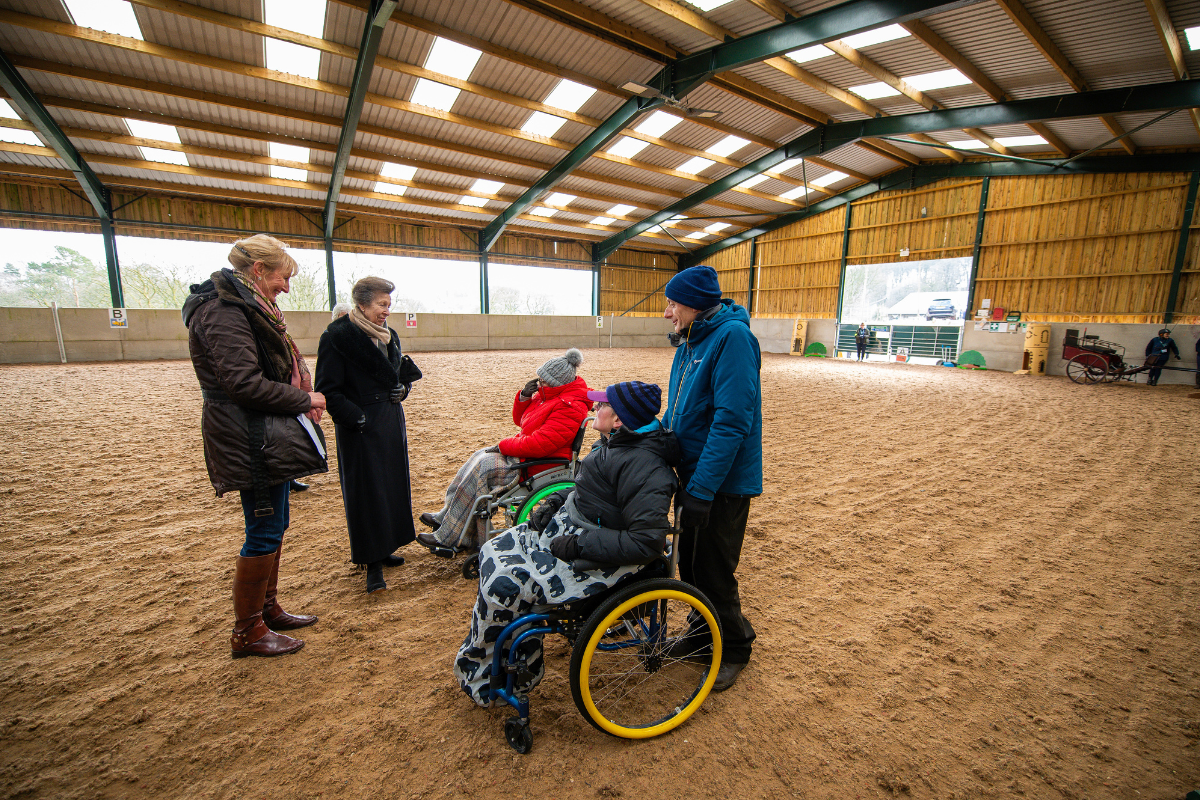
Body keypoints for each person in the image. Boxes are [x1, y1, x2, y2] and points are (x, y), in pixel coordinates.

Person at [453, 381, 679, 706]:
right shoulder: (615, 444)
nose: (594, 409)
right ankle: (493, 664)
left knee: (503, 587)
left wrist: (579, 545)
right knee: (493, 549)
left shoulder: (646, 467)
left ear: (619, 420)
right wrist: (556, 501)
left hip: (595, 560)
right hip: (572, 531)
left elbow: (646, 542)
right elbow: (590, 490)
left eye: (601, 405)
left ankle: (507, 676)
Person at [182, 233, 327, 658]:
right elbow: (243, 383)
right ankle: (247, 630)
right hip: (247, 434)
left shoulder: (248, 305)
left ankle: (267, 609)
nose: (287, 287)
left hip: (263, 433)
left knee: (275, 524)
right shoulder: (223, 311)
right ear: (259, 270)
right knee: (263, 527)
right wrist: (305, 398)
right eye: (283, 277)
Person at [662, 265, 762, 692]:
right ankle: (702, 633)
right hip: (694, 473)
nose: (667, 312)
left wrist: (702, 489)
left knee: (715, 567)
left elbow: (731, 422)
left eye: (673, 303)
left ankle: (735, 647)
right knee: (691, 564)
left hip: (722, 481)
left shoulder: (733, 339)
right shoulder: (690, 342)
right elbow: (678, 408)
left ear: (695, 304)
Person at [416, 348, 589, 557]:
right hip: (530, 456)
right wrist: (525, 397)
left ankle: (451, 536)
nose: (539, 383)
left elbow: (540, 443)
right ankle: (447, 517)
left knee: (484, 467)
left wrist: (504, 445)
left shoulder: (569, 406)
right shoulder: (549, 397)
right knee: (479, 456)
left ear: (556, 383)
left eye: (543, 380)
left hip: (540, 464)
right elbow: (521, 421)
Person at [315, 277, 421, 594]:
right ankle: (371, 563)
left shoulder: (390, 336)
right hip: (360, 429)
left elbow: (395, 376)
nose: (387, 311)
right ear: (362, 304)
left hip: (389, 422)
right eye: (381, 305)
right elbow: (327, 390)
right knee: (366, 493)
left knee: (389, 487)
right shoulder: (337, 337)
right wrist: (356, 418)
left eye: (389, 304)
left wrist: (402, 389)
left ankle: (386, 547)